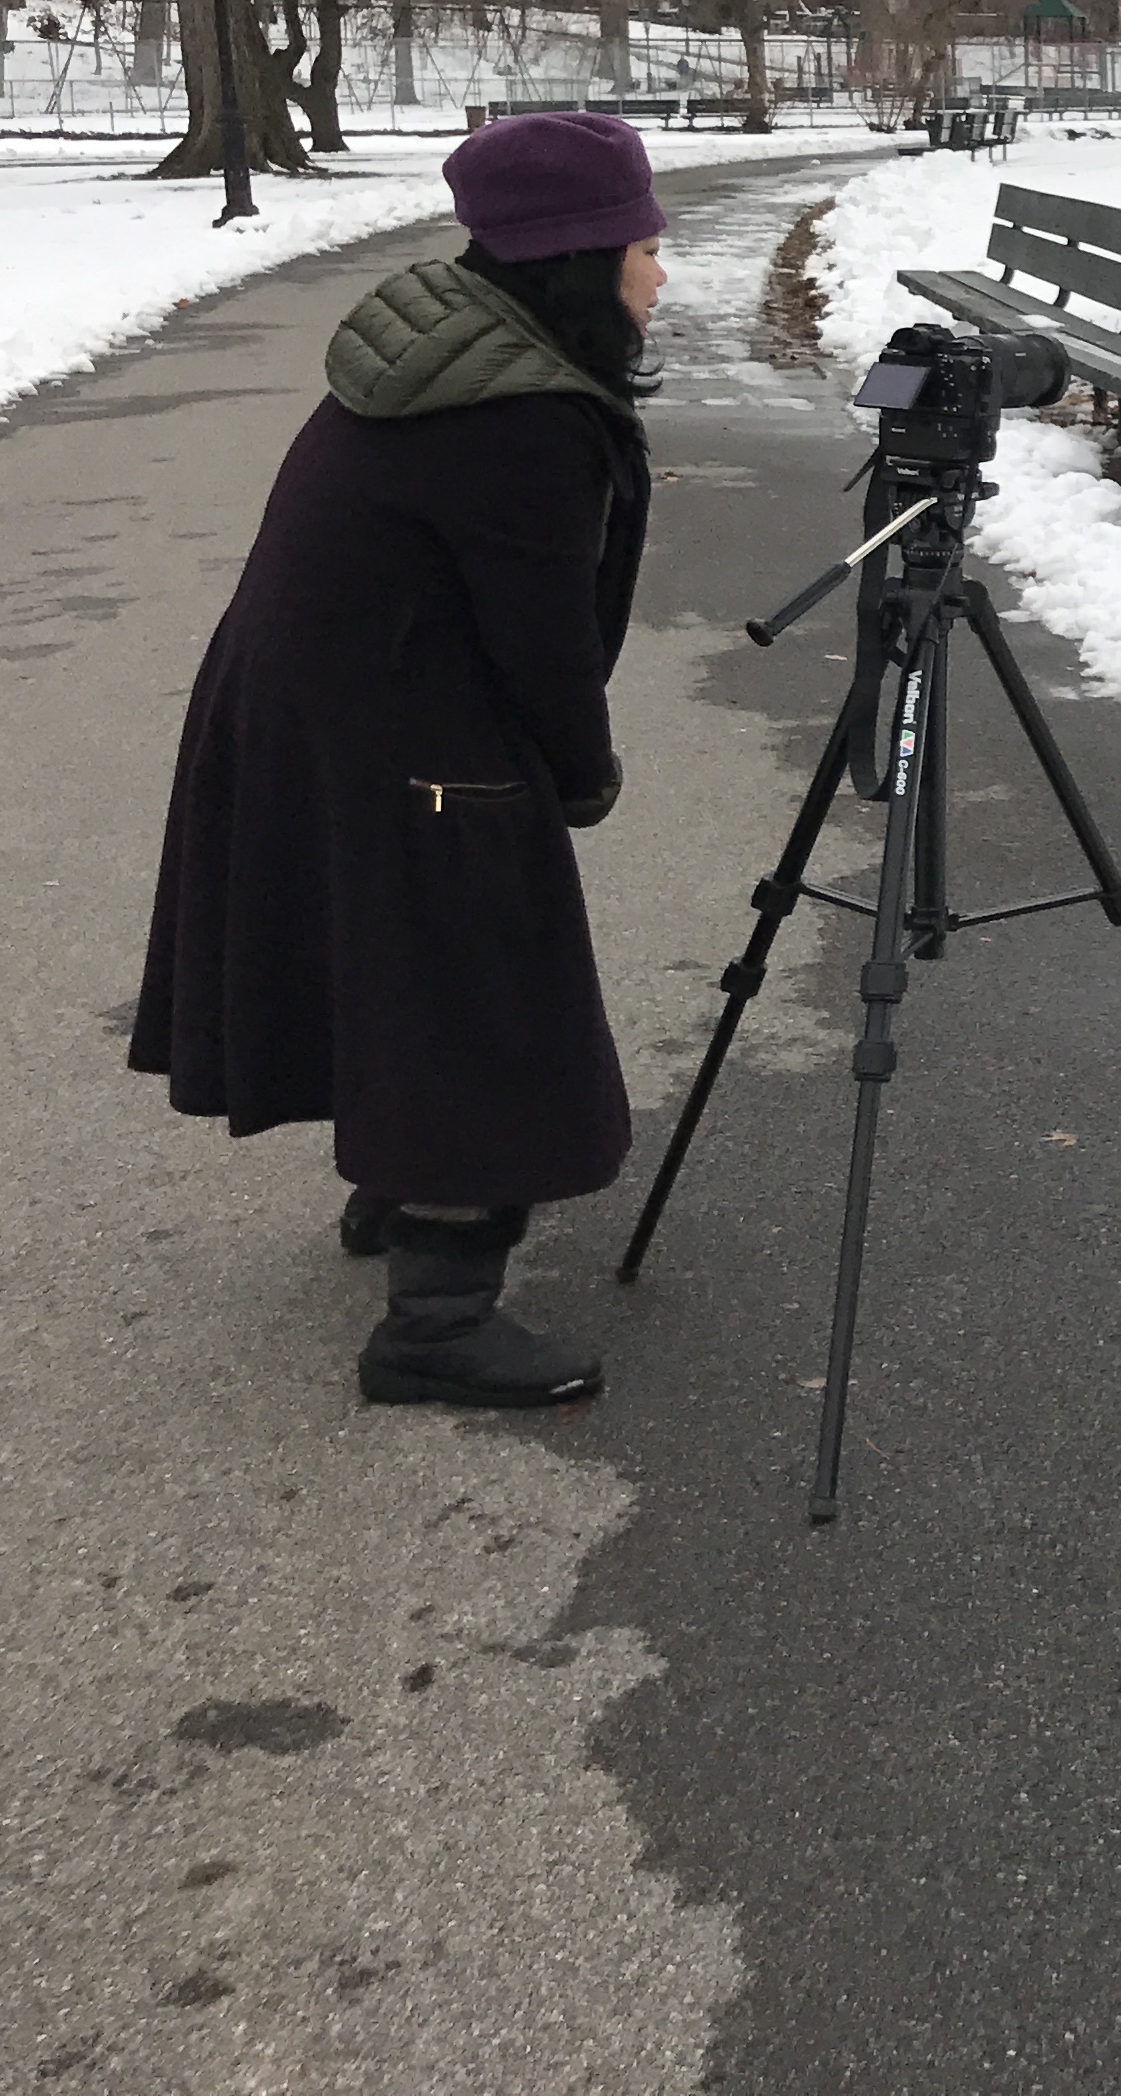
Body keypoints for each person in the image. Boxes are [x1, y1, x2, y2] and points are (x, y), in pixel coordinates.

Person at [130, 112, 665, 1408]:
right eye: (646, 244)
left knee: (381, 951)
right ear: (580, 256)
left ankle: (395, 1175)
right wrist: (578, 774)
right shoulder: (520, 416)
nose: (660, 269)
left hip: (312, 698)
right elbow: (542, 645)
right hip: (407, 727)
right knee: (476, 989)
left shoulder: (443, 345)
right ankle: (436, 1316)